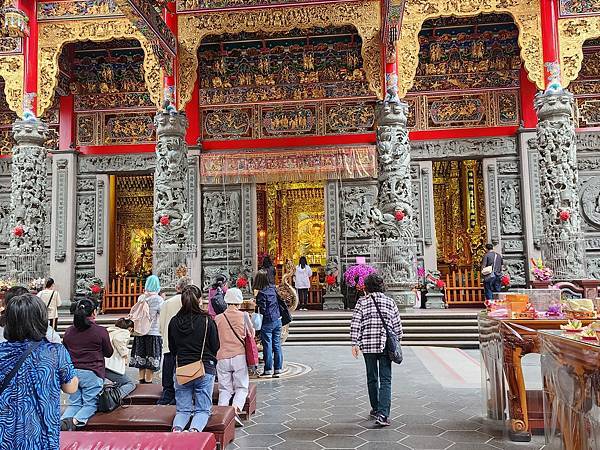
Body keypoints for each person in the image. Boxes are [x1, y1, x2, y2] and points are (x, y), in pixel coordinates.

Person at [0, 293, 78, 450]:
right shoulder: (55, 351)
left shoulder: (2, 352)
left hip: (5, 434)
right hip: (41, 435)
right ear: (42, 320)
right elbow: (71, 387)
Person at [350, 273, 402, 427]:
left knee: (372, 377)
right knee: (386, 379)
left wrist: (355, 343)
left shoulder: (361, 302)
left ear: (366, 287)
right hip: (385, 345)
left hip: (367, 345)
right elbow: (398, 327)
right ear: (381, 286)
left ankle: (375, 407)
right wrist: (397, 342)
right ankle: (383, 414)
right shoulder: (389, 302)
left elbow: (355, 323)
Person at [169, 285, 220, 432]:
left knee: (182, 410)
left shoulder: (174, 322)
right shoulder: (206, 321)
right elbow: (215, 345)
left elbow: (173, 349)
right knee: (202, 410)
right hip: (204, 368)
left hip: (181, 369)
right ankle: (193, 432)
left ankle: (177, 430)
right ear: (199, 300)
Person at [61, 297, 113, 430]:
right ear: (94, 312)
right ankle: (76, 421)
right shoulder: (100, 331)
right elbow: (108, 353)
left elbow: (65, 351)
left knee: (74, 404)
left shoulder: (68, 332)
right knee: (90, 404)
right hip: (92, 373)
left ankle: (62, 424)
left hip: (72, 373)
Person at [214, 287, 254, 426]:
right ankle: (235, 410)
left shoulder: (218, 318)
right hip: (239, 355)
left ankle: (222, 416)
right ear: (239, 302)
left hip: (222, 356)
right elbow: (251, 334)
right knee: (241, 387)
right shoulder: (244, 316)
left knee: (224, 389)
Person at [158, 276, 192, 405]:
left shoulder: (167, 302)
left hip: (168, 340)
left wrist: (164, 334)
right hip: (186, 343)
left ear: (177, 287)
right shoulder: (189, 301)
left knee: (168, 368)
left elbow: (161, 323)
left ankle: (167, 394)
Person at [129, 275, 164, 383]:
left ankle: (141, 380)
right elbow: (161, 315)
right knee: (151, 358)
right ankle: (148, 382)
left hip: (140, 332)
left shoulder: (141, 298)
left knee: (141, 357)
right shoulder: (159, 300)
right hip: (153, 332)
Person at [254, 269, 283, 378]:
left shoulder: (261, 293)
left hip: (267, 321)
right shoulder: (273, 289)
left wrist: (256, 304)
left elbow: (263, 308)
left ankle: (268, 369)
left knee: (267, 345)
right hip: (278, 319)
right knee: (277, 344)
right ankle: (278, 368)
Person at [105, 318, 136, 399]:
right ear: (130, 328)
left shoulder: (110, 331)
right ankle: (113, 399)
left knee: (119, 383)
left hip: (103, 363)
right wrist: (125, 354)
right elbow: (118, 340)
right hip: (110, 365)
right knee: (130, 384)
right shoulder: (125, 332)